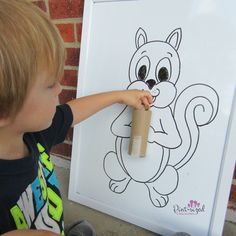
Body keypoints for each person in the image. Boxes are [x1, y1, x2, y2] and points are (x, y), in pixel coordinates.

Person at [0, 0, 152, 236]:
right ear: (4, 111)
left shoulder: (32, 134)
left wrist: (120, 96)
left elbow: (73, 111)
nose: (60, 88)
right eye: (50, 84)